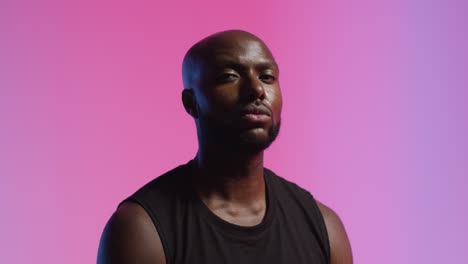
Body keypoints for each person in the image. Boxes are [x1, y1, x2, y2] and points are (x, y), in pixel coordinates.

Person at [97, 30, 352, 264]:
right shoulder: (141, 229)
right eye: (229, 76)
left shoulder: (324, 227)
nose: (256, 90)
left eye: (267, 77)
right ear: (191, 102)